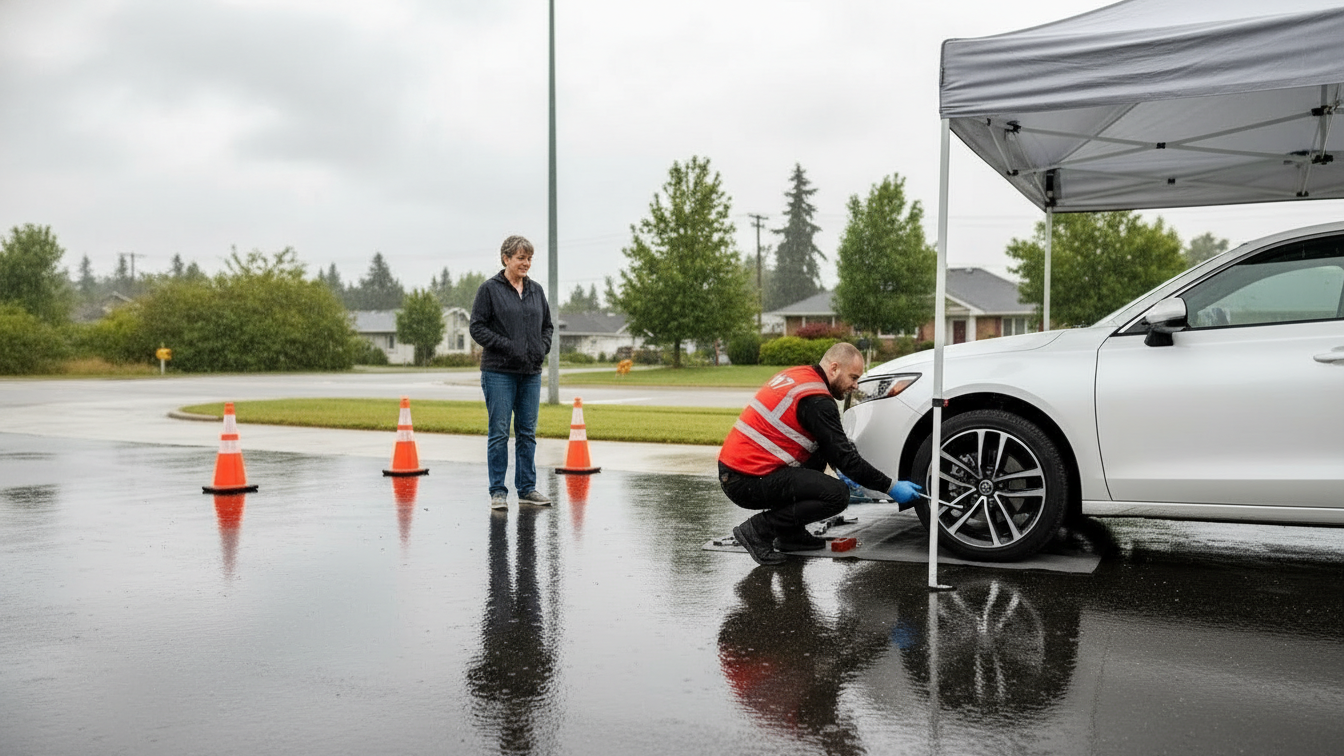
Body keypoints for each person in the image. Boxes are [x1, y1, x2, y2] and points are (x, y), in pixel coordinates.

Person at [718, 341, 923, 565]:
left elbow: (832, 447)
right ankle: (757, 530)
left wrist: (839, 463)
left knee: (818, 454)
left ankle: (791, 535)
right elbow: (847, 460)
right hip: (745, 481)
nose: (855, 386)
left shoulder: (801, 376)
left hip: (741, 472)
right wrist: (891, 487)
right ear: (834, 369)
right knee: (836, 495)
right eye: (853, 377)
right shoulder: (818, 400)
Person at [469, 235, 554, 510]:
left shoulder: (536, 291)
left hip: (530, 372)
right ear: (506, 258)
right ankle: (498, 492)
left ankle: (527, 489)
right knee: (500, 432)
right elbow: (477, 327)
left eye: (529, 258)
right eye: (520, 258)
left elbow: (547, 326)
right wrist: (508, 346)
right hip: (499, 373)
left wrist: (541, 347)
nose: (526, 263)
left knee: (527, 433)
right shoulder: (489, 290)